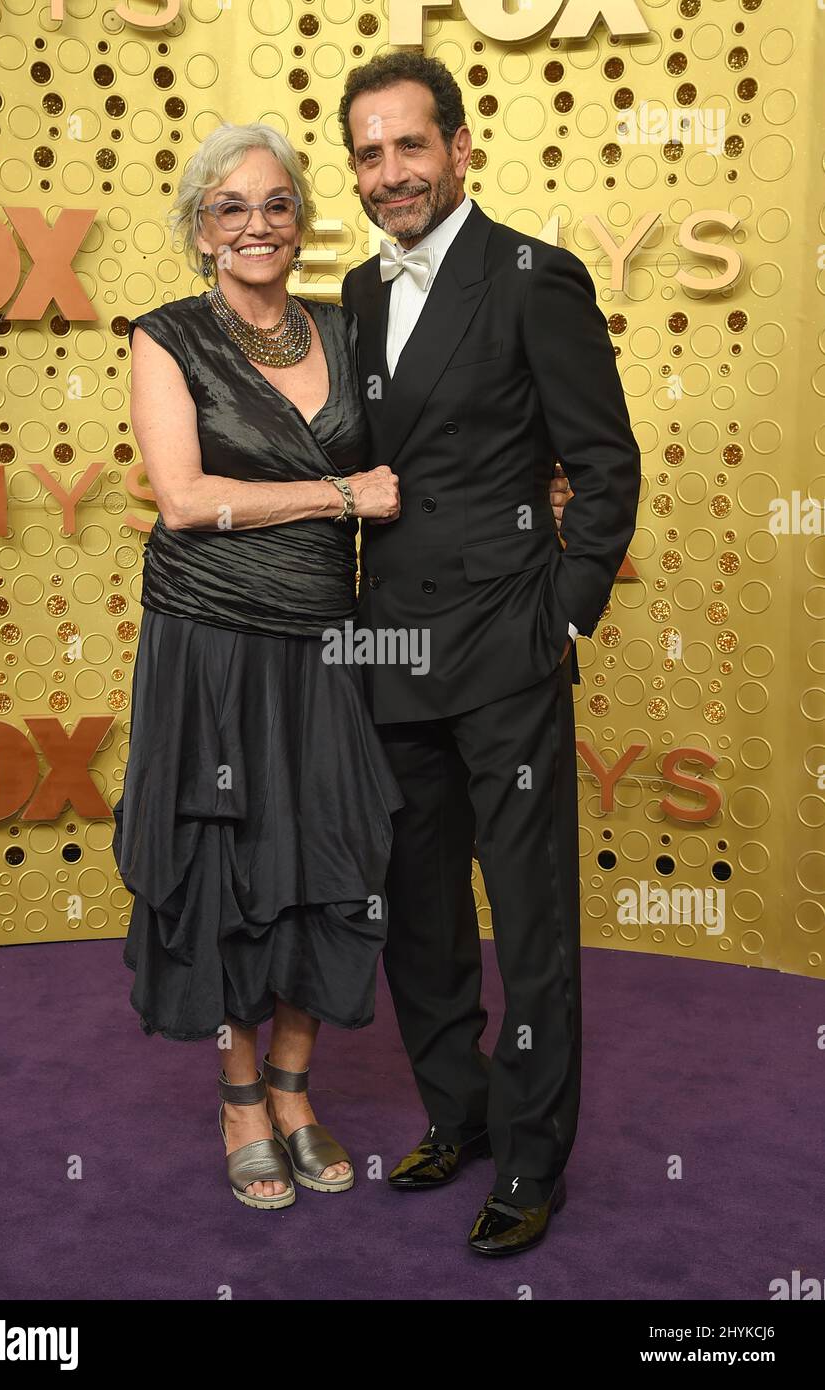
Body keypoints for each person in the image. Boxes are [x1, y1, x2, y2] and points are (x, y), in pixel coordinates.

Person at [338, 52, 642, 1255]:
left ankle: (530, 1158)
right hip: (392, 649)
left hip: (508, 650)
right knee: (416, 909)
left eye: (412, 145)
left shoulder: (531, 276)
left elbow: (604, 462)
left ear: (461, 150)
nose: (392, 171)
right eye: (369, 152)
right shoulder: (354, 295)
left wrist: (563, 611)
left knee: (527, 920)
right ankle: (454, 1113)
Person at [111, 121, 406, 1211]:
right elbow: (184, 502)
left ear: (302, 217)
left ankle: (294, 1087)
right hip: (213, 645)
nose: (255, 224)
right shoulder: (165, 336)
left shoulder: (345, 324)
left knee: (330, 858)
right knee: (225, 870)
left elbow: (422, 448)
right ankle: (239, 1099)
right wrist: (339, 495)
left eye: (275, 203)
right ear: (200, 228)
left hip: (327, 642)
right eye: (230, 207)